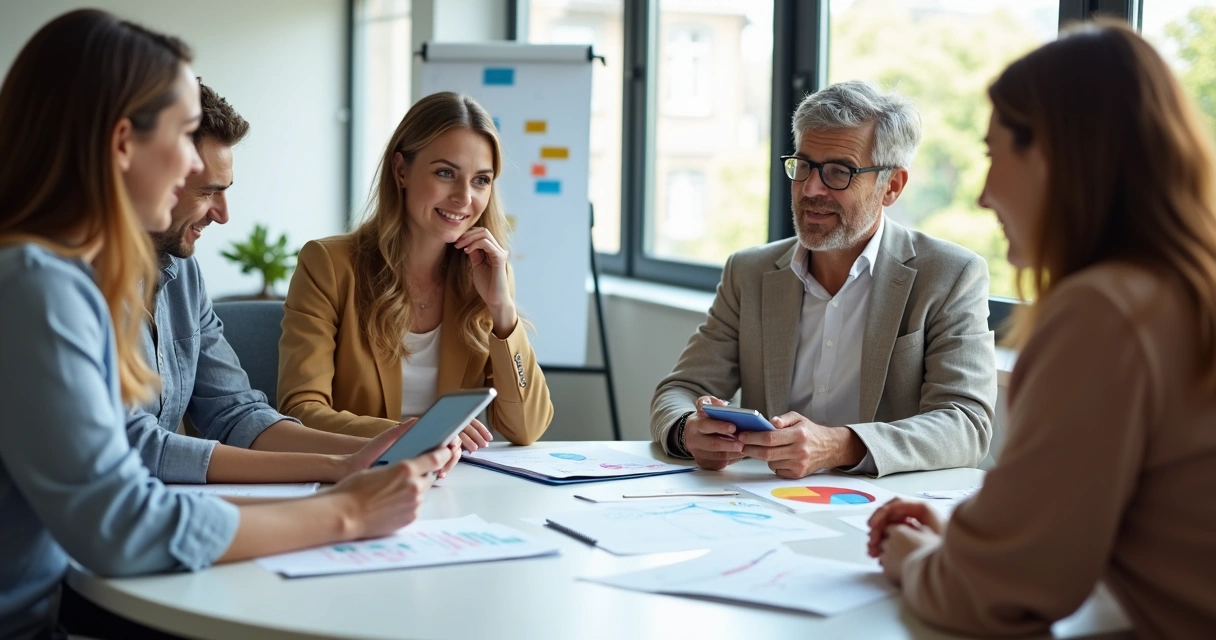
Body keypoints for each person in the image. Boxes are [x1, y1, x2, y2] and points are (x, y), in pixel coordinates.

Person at [0, 11, 449, 639]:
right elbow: (122, 521)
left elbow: (188, 445)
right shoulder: (35, 286)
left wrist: (344, 465)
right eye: (186, 137)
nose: (190, 168)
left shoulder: (68, 275)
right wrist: (343, 512)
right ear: (123, 142)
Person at [868, 21, 1216, 638]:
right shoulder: (1183, 291)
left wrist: (916, 560)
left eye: (994, 154)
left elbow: (994, 595)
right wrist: (979, 535)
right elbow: (1117, 522)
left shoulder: (1105, 314)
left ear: (1052, 153)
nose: (982, 195)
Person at [651, 81, 997, 479]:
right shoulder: (749, 272)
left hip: (884, 512)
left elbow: (967, 424)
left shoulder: (950, 275)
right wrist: (687, 430)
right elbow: (679, 390)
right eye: (803, 166)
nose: (810, 188)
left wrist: (839, 445)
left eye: (838, 172)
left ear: (892, 187)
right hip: (762, 506)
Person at [126, 82, 460, 485]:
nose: (222, 214)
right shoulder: (69, 285)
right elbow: (134, 446)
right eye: (207, 192)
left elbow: (236, 414)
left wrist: (375, 448)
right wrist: (338, 466)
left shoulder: (183, 273)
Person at [278, 91, 554, 446]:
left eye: (481, 180)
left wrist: (502, 311)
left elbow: (526, 429)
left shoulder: (485, 277)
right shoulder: (329, 266)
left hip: (450, 483)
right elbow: (300, 410)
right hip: (357, 479)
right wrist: (415, 435)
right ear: (401, 170)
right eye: (445, 173)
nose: (465, 198)